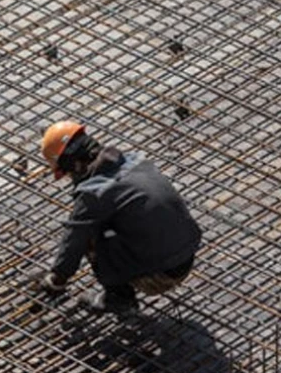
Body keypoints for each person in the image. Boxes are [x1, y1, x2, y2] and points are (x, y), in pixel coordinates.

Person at [33, 121, 202, 315]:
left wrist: (56, 280)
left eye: (67, 172)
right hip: (188, 257)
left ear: (76, 164)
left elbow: (74, 240)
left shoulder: (94, 192)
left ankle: (120, 298)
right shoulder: (136, 162)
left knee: (91, 233)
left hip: (161, 275)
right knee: (118, 220)